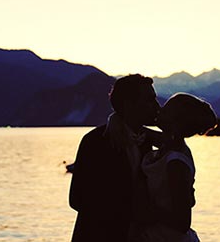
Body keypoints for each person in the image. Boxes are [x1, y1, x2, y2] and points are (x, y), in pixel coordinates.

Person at [69, 74, 161, 242]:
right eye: (149, 100)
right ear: (129, 104)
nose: (156, 106)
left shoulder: (145, 141)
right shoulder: (96, 141)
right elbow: (77, 199)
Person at [135, 93, 217, 242]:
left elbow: (182, 222)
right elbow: (138, 131)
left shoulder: (176, 162)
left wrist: (146, 210)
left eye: (166, 110)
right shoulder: (168, 143)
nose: (159, 109)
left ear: (176, 121)